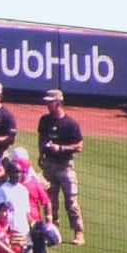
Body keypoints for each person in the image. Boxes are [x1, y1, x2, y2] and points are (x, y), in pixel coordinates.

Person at [36, 87, 85, 243]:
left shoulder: (71, 124)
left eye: (50, 102)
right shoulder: (44, 120)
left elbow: (79, 146)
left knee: (71, 201)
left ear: (58, 103)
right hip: (49, 165)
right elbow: (41, 138)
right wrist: (41, 155)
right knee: (50, 200)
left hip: (65, 166)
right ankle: (53, 231)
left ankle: (78, 232)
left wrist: (61, 148)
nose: (47, 105)